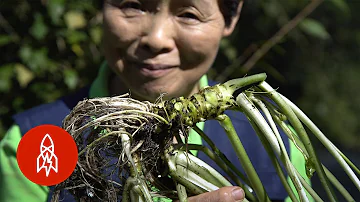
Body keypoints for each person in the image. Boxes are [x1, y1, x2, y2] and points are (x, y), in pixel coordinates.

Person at [0, 0, 310, 201]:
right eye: (133, 5)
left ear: (230, 18)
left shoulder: (276, 140)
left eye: (189, 14)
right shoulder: (36, 143)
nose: (156, 38)